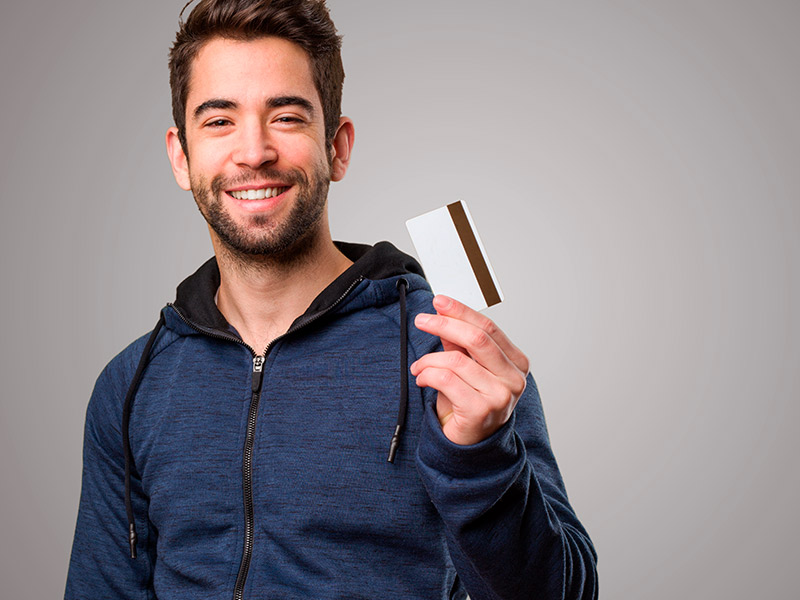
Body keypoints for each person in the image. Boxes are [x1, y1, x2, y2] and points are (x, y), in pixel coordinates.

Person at [65, 1, 598, 598]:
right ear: (181, 157)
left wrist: (481, 458)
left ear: (337, 147)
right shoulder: (132, 384)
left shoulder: (448, 350)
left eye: (287, 117)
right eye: (219, 122)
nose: (253, 151)